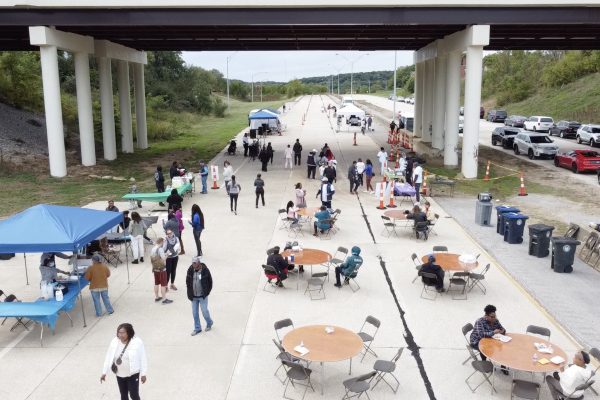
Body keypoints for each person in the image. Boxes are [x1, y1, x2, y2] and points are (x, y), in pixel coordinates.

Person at [101, 323, 147, 400]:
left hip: (133, 374)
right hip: (119, 374)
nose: (120, 335)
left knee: (134, 395)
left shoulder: (137, 342)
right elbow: (109, 357)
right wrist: (104, 373)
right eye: (119, 332)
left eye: (123, 333)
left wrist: (143, 374)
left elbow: (142, 358)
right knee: (123, 395)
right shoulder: (114, 341)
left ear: (129, 332)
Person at [469, 304, 509, 374]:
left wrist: (502, 331)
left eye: (494, 316)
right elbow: (481, 335)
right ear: (486, 315)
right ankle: (485, 364)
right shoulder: (480, 321)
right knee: (485, 349)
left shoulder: (495, 320)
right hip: (477, 341)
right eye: (491, 317)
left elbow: (502, 328)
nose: (493, 318)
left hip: (489, 339)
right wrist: (493, 332)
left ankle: (503, 366)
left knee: (501, 347)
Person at [186, 256, 214, 336]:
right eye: (192, 263)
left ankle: (209, 322)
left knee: (204, 311)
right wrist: (189, 291)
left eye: (195, 263)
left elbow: (210, 282)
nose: (193, 264)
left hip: (202, 296)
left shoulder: (205, 270)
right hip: (194, 296)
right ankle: (197, 328)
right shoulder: (190, 270)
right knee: (195, 313)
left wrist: (206, 292)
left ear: (199, 263)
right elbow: (187, 281)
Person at [150, 238, 171, 304]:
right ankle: (164, 299)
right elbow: (163, 260)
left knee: (156, 283)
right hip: (162, 269)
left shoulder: (153, 249)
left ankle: (156, 297)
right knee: (163, 284)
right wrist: (167, 255)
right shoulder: (160, 249)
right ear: (161, 242)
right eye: (163, 243)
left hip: (155, 269)